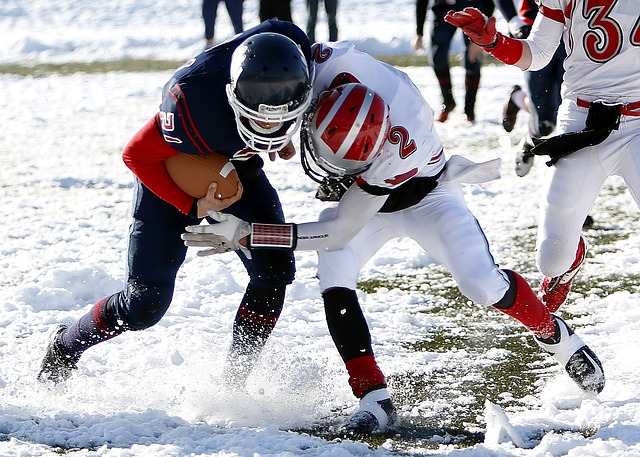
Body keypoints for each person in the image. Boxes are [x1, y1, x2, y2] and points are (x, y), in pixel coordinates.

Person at [182, 41, 606, 434]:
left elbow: (338, 231)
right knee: (335, 273)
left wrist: (247, 233)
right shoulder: (322, 68)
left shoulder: (397, 146)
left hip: (426, 198)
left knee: (480, 282)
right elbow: (287, 57)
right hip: (364, 189)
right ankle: (374, 397)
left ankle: (558, 336)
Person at [37, 20, 314, 387]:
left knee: (274, 270)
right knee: (143, 305)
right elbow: (136, 155)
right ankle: (65, 345)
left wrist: (276, 134)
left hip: (236, 167)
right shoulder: (192, 104)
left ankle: (232, 383)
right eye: (256, 115)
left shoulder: (293, 50)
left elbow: (280, 28)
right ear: (233, 92)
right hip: (173, 172)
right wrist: (191, 205)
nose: (269, 121)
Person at [444, 3, 639, 313]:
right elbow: (537, 54)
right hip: (581, 120)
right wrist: (494, 42)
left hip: (638, 122)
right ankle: (570, 259)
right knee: (551, 260)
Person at [493, 0, 565, 177]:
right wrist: (514, 20)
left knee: (568, 106)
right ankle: (519, 104)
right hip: (537, 32)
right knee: (545, 122)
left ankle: (520, 102)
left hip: (574, 33)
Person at [411, 0, 495, 123]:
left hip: (473, 12)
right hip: (444, 11)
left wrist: (482, 35)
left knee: (473, 60)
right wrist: (419, 32)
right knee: (437, 56)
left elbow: (491, 2)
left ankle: (469, 110)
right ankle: (448, 101)